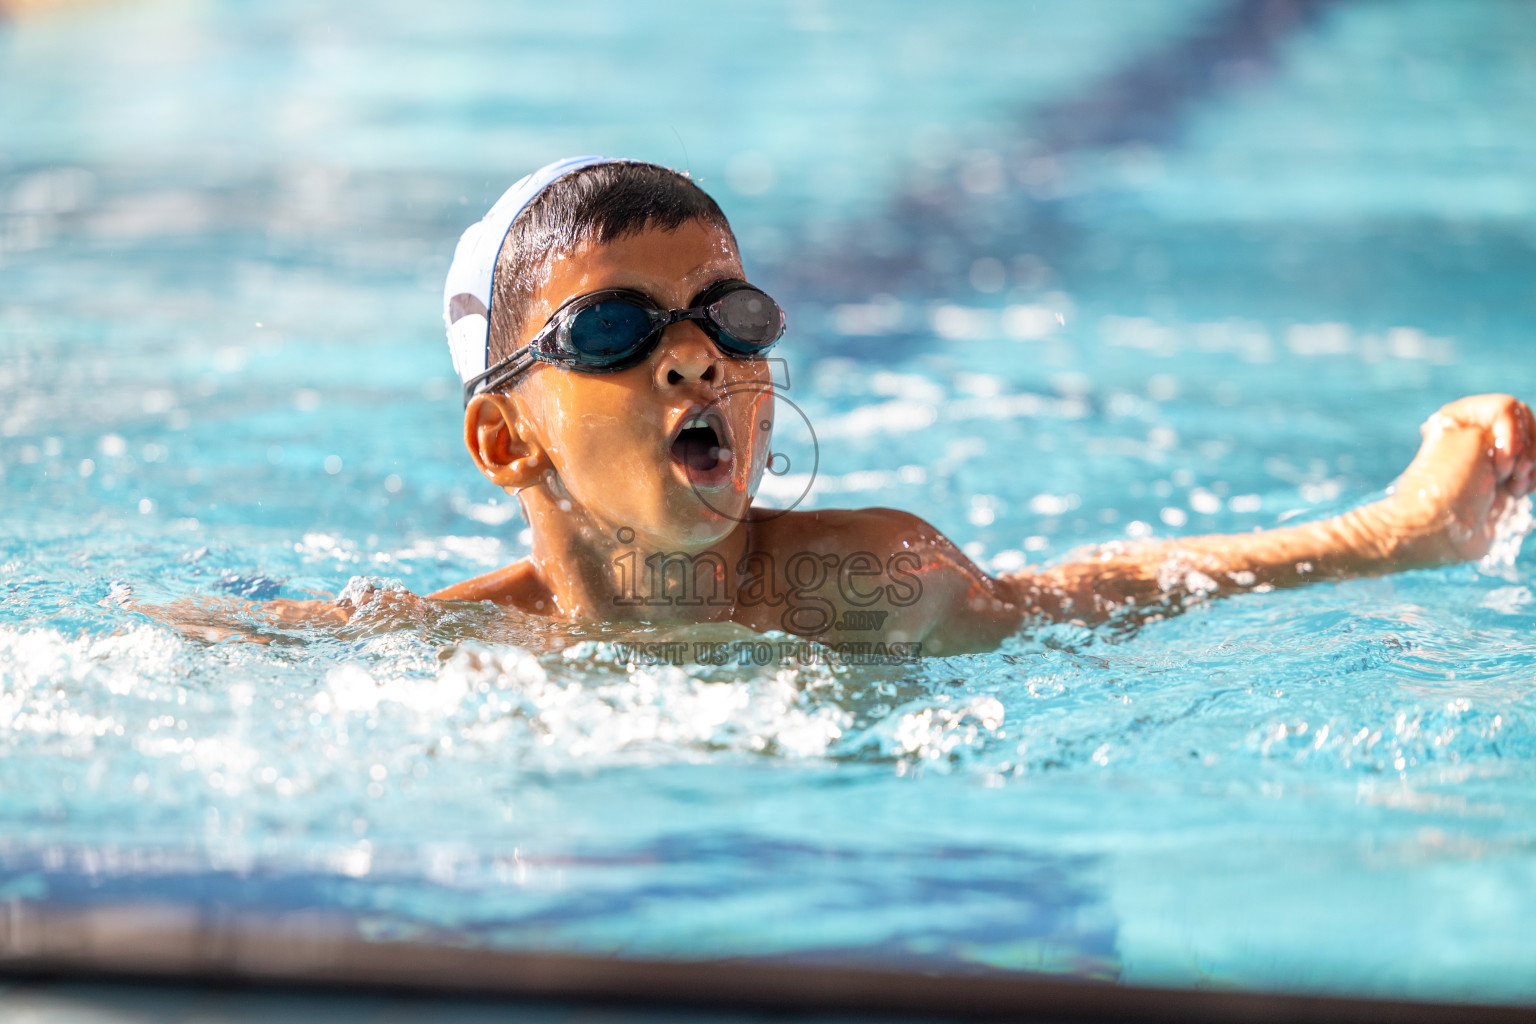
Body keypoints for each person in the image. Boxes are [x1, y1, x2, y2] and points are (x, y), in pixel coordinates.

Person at [150, 156, 1536, 656]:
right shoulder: (445, 655)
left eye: (727, 316)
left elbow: (1109, 592)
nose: (694, 360)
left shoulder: (869, 583)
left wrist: (1399, 531)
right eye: (618, 329)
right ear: (504, 436)